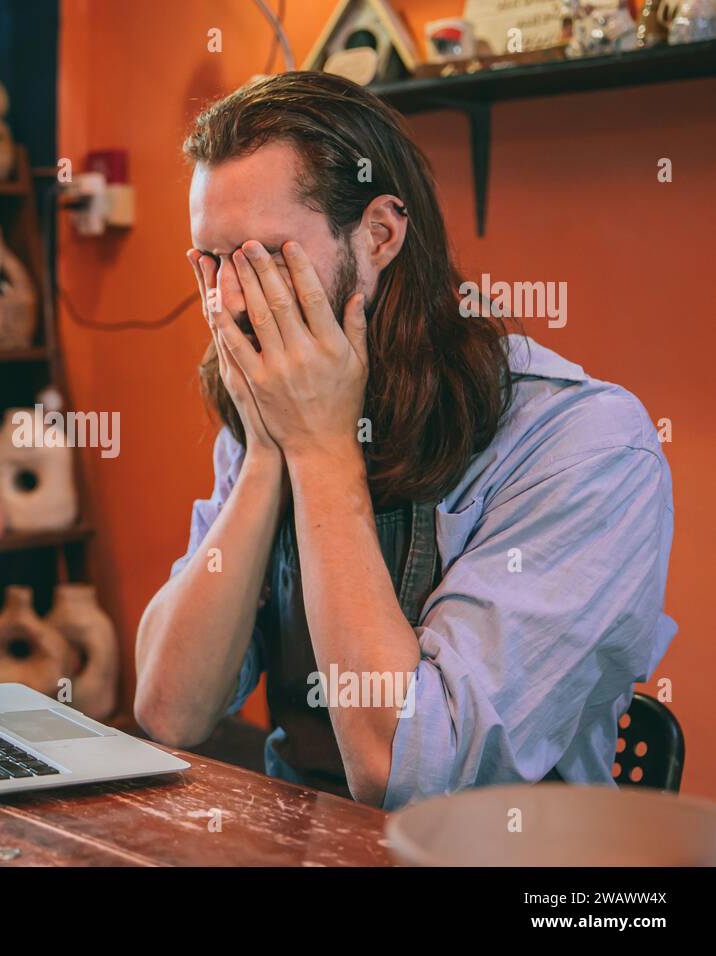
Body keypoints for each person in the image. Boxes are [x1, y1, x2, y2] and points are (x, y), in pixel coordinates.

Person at [134, 72, 675, 809]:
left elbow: (410, 773)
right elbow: (171, 709)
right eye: (211, 261)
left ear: (381, 235)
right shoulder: (278, 397)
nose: (229, 301)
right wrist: (269, 453)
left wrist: (323, 454)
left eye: (262, 258)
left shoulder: (586, 447)